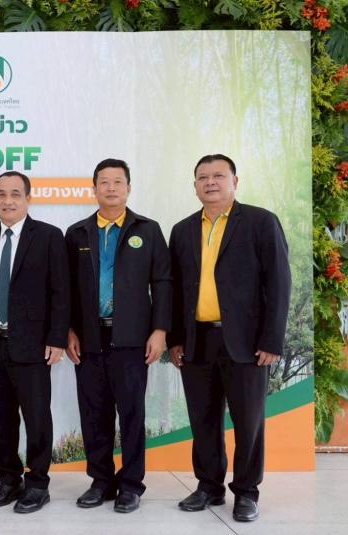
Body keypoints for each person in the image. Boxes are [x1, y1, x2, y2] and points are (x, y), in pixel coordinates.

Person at [168, 154, 291, 522]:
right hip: (197, 341)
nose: (210, 182)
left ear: (235, 181)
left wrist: (272, 339)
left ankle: (247, 492)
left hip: (247, 343)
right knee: (203, 420)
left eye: (219, 176)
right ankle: (209, 486)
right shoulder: (182, 230)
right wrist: (176, 339)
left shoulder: (260, 222)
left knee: (248, 422)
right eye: (203, 177)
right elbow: (175, 291)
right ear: (194, 185)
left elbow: (279, 283)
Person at [64, 159, 171, 513]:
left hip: (132, 339)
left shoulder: (148, 230)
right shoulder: (77, 233)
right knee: (94, 414)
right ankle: (101, 481)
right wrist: (68, 330)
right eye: (104, 182)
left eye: (117, 182)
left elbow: (163, 282)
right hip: (89, 340)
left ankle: (131, 485)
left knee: (131, 414)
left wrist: (160, 330)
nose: (111, 188)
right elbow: (65, 289)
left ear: (128, 188)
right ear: (94, 188)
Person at [0, 171, 69, 514]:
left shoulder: (49, 236)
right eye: (1, 194)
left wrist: (56, 338)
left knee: (37, 418)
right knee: (0, 418)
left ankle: (37, 484)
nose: (7, 201)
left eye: (14, 194)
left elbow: (60, 292)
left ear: (28, 198)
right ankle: (9, 480)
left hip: (33, 344)